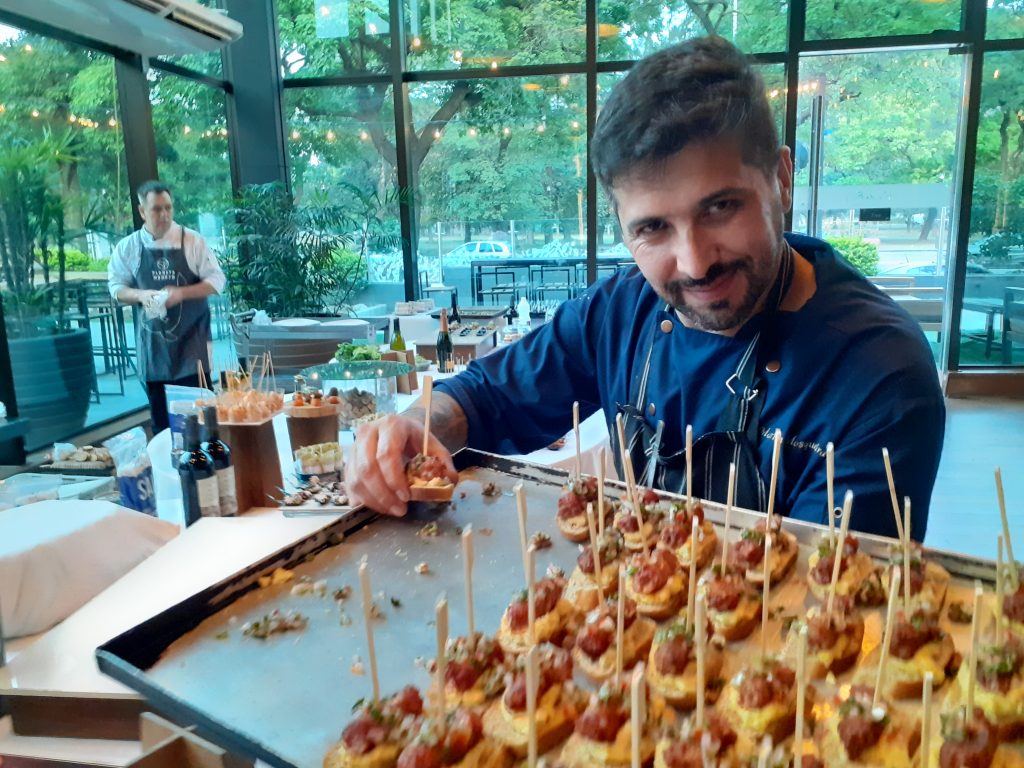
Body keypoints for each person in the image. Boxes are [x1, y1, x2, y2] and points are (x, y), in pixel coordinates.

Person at [346, 37, 945, 539]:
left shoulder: (880, 375)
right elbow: (485, 397)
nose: (694, 262)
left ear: (782, 181)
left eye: (721, 207)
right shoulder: (619, 311)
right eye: (653, 228)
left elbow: (826, 604)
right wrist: (420, 425)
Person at [108, 180, 226, 434]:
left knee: (202, 424)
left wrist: (181, 293)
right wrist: (141, 295)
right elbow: (116, 288)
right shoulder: (129, 247)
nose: (164, 215)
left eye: (168, 208)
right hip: (154, 348)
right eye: (156, 209)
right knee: (163, 426)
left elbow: (217, 281)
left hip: (193, 345)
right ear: (142, 211)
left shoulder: (192, 241)